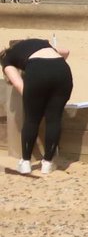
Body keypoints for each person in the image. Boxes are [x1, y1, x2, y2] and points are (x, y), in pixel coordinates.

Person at [1, 37, 73, 175]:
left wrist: (31, 96)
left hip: (37, 70)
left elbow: (18, 83)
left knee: (32, 119)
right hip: (62, 70)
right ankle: (47, 163)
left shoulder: (7, 58)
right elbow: (66, 52)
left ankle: (25, 162)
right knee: (54, 119)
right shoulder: (40, 43)